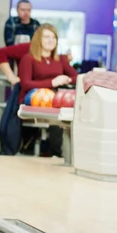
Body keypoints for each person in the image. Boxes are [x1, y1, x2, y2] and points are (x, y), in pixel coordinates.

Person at [18, 24, 77, 156]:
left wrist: (66, 79)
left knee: (67, 101)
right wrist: (52, 82)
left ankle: (65, 150)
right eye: (46, 37)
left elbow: (77, 77)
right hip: (32, 94)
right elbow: (26, 84)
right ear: (38, 39)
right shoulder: (28, 58)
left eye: (54, 37)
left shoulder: (60, 59)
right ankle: (56, 151)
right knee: (54, 101)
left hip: (53, 96)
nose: (51, 40)